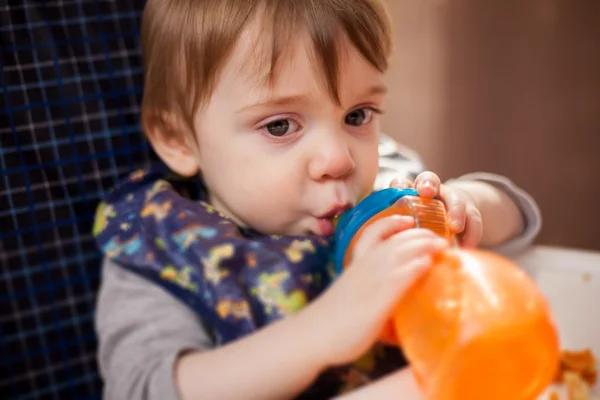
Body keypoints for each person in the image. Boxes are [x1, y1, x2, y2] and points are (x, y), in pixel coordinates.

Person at [93, 1, 541, 399]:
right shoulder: (161, 243)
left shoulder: (384, 187)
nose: (338, 159)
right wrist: (323, 330)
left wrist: (464, 204)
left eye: (356, 116)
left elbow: (518, 215)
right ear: (178, 139)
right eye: (280, 126)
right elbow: (146, 388)